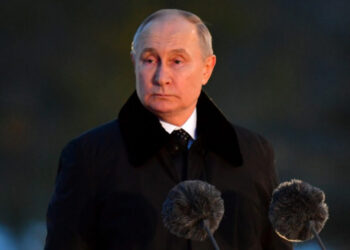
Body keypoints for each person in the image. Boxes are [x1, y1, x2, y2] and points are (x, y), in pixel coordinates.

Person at [44, 9, 293, 250]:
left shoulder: (252, 153)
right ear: (134, 63)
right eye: (150, 60)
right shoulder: (89, 157)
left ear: (207, 68)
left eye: (177, 61)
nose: (162, 77)